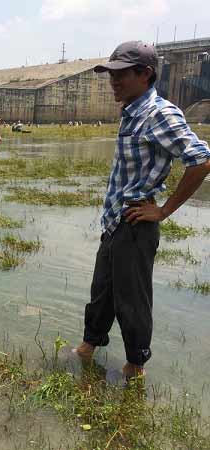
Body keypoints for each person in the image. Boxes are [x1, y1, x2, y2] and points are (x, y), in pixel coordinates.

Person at [72, 41, 210, 379]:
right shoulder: (132, 111)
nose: (113, 81)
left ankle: (135, 368)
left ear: (145, 74)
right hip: (116, 222)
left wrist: (162, 211)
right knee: (102, 293)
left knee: (131, 302)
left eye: (121, 74)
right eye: (111, 74)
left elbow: (201, 160)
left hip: (136, 224)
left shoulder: (158, 113)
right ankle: (86, 350)